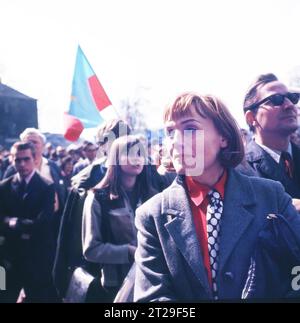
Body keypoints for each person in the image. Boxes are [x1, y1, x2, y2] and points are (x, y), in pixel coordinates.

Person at [133, 92, 300, 301]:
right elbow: (152, 297)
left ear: (224, 137)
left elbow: (295, 274)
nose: (175, 141)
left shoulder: (271, 195)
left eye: (190, 129)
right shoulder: (152, 214)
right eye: (169, 132)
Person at [82, 135, 157, 301]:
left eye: (140, 153)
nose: (137, 159)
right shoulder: (98, 198)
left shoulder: (152, 196)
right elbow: (91, 250)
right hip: (116, 285)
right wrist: (128, 251)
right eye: (130, 154)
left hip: (151, 280)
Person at [0, 142, 57, 302]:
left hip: (36, 257)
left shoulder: (47, 186)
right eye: (18, 160)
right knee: (5, 296)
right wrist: (22, 224)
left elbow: (43, 223)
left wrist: (13, 223)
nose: (22, 164)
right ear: (12, 160)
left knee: (37, 298)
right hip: (8, 258)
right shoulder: (3, 187)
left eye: (26, 159)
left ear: (35, 159)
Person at [243, 73, 300, 210]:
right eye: (276, 99)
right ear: (251, 118)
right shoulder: (240, 170)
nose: (289, 105)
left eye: (292, 98)